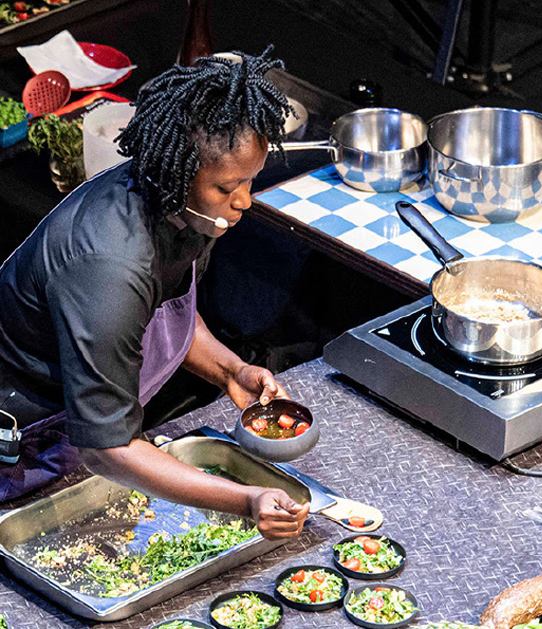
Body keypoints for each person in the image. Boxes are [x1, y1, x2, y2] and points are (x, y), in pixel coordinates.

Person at [0, 47, 310, 540]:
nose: (245, 201)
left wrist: (232, 369)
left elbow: (166, 311)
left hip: (93, 419)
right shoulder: (108, 266)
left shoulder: (185, 208)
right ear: (177, 172)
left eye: (250, 180)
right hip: (30, 431)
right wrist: (247, 500)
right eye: (229, 185)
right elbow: (109, 448)